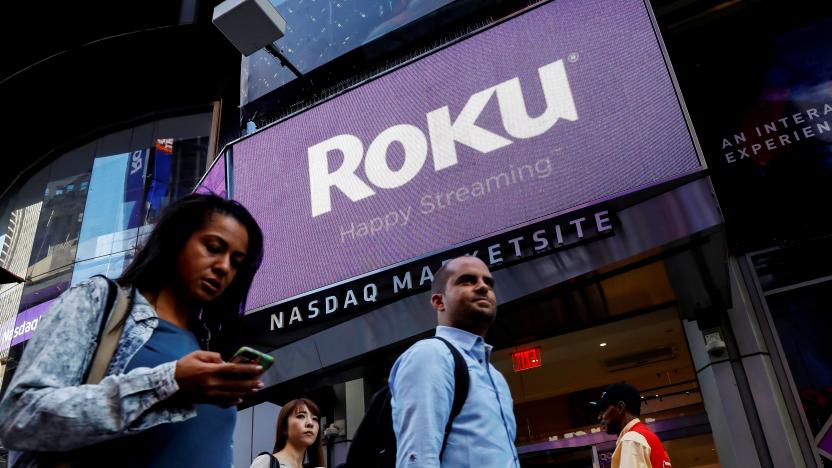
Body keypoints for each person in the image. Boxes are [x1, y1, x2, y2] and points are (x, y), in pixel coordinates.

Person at [0, 193, 266, 467]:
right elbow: (19, 417)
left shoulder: (207, 347)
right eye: (212, 247)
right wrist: (168, 383)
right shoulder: (99, 302)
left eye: (236, 262)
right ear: (176, 241)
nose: (224, 267)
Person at [388, 256, 520, 467]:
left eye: (488, 283)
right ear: (438, 301)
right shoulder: (430, 355)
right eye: (467, 280)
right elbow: (418, 459)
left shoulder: (496, 377)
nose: (482, 287)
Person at [591, 383, 672, 468]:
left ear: (620, 407)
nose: (599, 417)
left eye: (603, 410)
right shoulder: (648, 436)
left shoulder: (630, 440)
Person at [250, 398, 325, 468]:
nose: (310, 423)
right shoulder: (266, 462)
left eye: (315, 419)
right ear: (284, 427)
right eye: (301, 416)